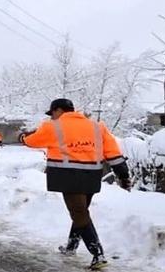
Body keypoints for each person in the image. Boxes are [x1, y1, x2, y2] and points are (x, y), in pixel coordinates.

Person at [19, 98, 131, 271]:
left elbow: (33, 141)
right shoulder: (97, 126)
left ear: (58, 110)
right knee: (81, 211)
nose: (52, 117)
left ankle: (98, 254)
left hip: (68, 175)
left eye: (53, 113)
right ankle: (71, 247)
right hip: (92, 176)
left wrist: (22, 137)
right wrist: (124, 176)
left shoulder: (53, 126)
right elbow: (113, 153)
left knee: (79, 213)